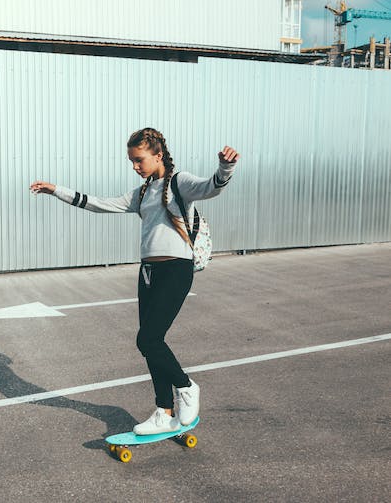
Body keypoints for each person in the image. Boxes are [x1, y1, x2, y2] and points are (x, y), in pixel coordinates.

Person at [29, 127, 240, 435]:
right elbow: (98, 203)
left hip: (175, 270)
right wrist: (56, 189)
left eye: (139, 160)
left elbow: (211, 187)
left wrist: (225, 167)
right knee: (152, 344)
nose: (135, 167)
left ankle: (187, 386)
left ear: (157, 155)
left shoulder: (180, 182)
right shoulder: (142, 193)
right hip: (148, 273)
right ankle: (164, 412)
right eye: (132, 161)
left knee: (148, 340)